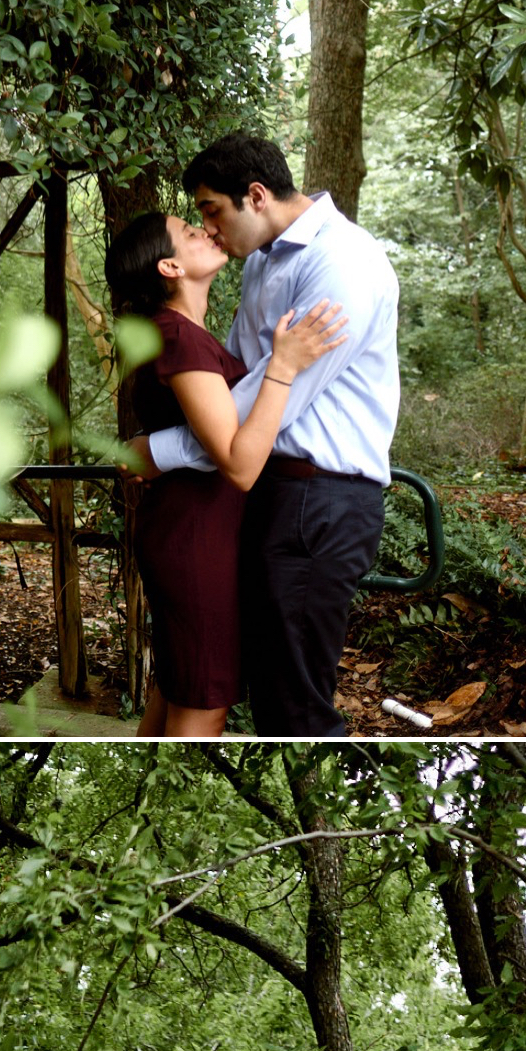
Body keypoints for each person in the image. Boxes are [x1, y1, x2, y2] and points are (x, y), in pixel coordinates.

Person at [152, 135, 401, 737]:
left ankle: (327, 826)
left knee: (296, 705)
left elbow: (277, 394)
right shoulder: (264, 261)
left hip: (322, 499)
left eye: (211, 210)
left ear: (255, 196)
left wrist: (161, 450)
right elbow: (236, 380)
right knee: (268, 696)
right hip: (268, 492)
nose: (209, 229)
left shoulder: (343, 261)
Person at [112, 204, 348, 737]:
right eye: (191, 232)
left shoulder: (184, 333)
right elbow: (239, 464)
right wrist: (283, 369)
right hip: (196, 536)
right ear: (169, 267)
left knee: (179, 686)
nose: (208, 232)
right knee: (203, 701)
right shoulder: (178, 337)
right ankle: (171, 816)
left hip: (194, 530)